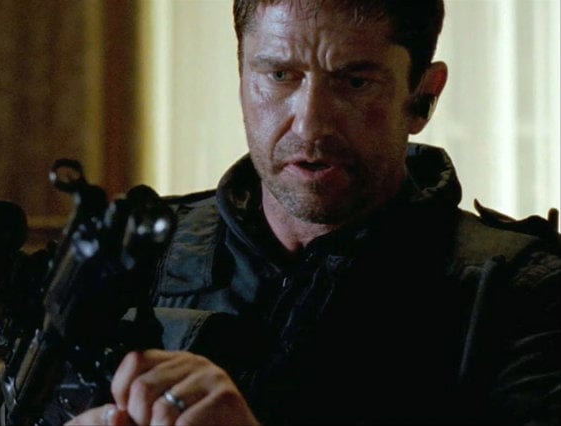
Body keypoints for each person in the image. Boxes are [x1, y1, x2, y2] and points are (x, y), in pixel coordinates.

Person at [66, 0, 561, 424]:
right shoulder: (132, 254)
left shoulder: (517, 294)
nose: (310, 124)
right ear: (241, 76)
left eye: (356, 82)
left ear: (422, 97)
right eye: (280, 76)